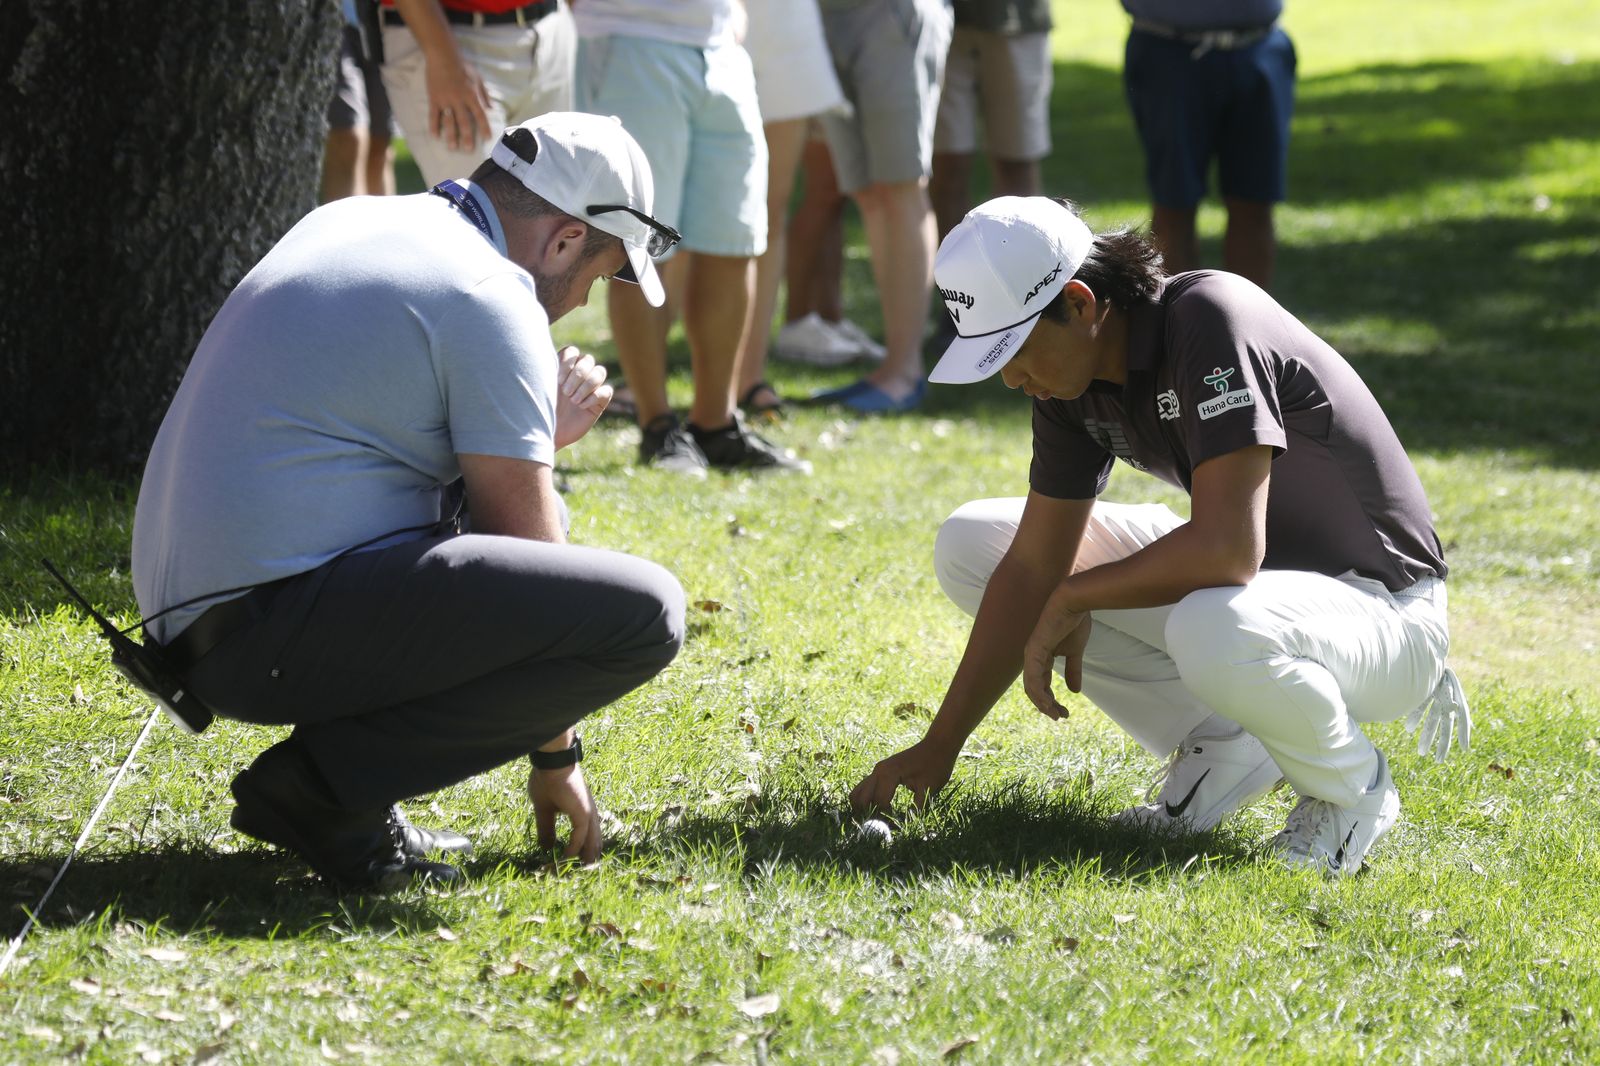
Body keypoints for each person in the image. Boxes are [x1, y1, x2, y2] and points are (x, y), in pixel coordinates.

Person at [131, 113, 687, 891]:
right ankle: (320, 793)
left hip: (195, 622)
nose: (587, 299)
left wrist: (528, 433)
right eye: (599, 273)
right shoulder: (493, 294)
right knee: (643, 614)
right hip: (259, 637)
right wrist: (556, 758)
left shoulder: (357, 216)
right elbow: (530, 559)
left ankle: (353, 793)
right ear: (562, 240)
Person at [852, 197, 1471, 876]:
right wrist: (940, 746)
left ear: (1082, 305)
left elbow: (1228, 550)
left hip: (1388, 614)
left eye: (1017, 347)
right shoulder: (1065, 386)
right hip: (1271, 597)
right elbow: (1033, 566)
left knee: (1212, 623)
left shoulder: (1207, 317)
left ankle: (1352, 793)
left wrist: (1073, 597)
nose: (1010, 377)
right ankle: (1223, 745)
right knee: (974, 544)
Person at [575, 0, 809, 474]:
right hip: (629, 39)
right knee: (640, 243)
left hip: (721, 49)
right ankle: (657, 426)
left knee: (734, 244)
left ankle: (715, 425)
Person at [809, 0, 954, 413]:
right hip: (821, 17)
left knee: (901, 186)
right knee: (869, 195)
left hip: (889, 12)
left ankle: (904, 371)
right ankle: (889, 367)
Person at [1120, 0, 1296, 290]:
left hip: (1261, 43)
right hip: (1167, 46)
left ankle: (1249, 329)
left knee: (1255, 203)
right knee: (1174, 205)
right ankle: (1176, 330)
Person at [732, 0, 849, 418]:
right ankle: (649, 389)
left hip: (784, 29)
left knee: (768, 214)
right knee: (690, 221)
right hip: (691, 29)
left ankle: (748, 375)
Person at [377, 0, 576, 188]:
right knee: (480, 213)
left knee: (556, 206)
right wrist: (443, 56)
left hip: (551, 28)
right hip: (449, 40)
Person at [930, 0, 1054, 238]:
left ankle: (1020, 271)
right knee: (946, 164)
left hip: (1016, 18)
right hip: (939, 19)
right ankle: (950, 272)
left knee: (1017, 164)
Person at [323, 9, 398, 201]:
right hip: (332, 20)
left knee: (380, 146)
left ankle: (384, 231)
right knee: (348, 137)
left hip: (380, 23)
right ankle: (346, 230)